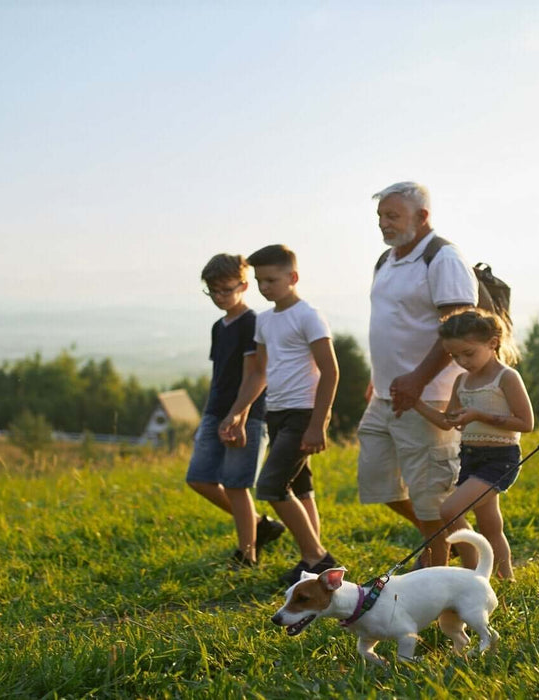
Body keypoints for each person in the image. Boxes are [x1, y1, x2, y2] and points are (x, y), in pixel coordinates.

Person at [358, 181, 478, 568]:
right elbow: (391, 324)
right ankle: (446, 540)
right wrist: (379, 377)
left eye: (392, 215)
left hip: (429, 398)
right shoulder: (385, 260)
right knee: (380, 483)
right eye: (380, 216)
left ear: (423, 216)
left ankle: (462, 571)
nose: (383, 224)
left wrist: (417, 380)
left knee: (432, 497)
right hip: (385, 396)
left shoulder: (442, 258)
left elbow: (461, 330)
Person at [219, 244, 340, 585]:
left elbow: (330, 371)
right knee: (299, 486)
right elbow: (258, 373)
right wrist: (238, 413)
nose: (264, 287)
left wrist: (319, 423)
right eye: (259, 281)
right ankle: (310, 558)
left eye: (271, 280)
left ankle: (319, 559)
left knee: (270, 485)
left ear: (293, 277)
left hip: (304, 414)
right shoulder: (264, 320)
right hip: (277, 412)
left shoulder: (308, 315)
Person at [412, 310, 534, 579]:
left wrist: (479, 415)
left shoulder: (506, 377)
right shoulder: (461, 381)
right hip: (470, 457)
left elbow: (526, 423)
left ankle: (471, 574)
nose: (462, 361)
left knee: (450, 510)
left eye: (468, 353)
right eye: (454, 356)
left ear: (492, 343)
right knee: (491, 526)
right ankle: (506, 578)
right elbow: (448, 421)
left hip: (500, 458)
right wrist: (416, 403)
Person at [186, 254, 285, 568]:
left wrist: (239, 414)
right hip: (216, 411)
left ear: (244, 285)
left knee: (236, 484)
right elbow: (220, 376)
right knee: (199, 478)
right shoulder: (219, 326)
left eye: (225, 290)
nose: (219, 297)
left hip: (248, 414)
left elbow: (257, 373)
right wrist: (207, 417)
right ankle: (261, 525)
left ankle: (247, 554)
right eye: (212, 291)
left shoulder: (251, 323)